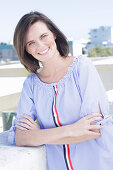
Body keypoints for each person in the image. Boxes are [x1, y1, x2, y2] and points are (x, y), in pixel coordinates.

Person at [8, 11, 113, 170]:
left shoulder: (82, 68)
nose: (40, 46)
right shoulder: (31, 85)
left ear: (54, 34)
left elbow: (92, 130)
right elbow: (21, 137)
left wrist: (39, 135)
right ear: (26, 50)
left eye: (44, 36)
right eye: (31, 43)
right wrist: (72, 129)